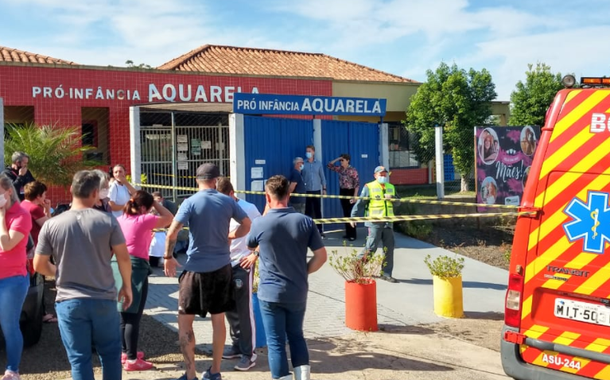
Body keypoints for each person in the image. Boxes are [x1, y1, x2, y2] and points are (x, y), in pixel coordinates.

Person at [33, 170, 133, 380]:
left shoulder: (52, 224)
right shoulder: (108, 221)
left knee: (79, 359)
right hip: (103, 299)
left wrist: (59, 271)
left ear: (70, 190)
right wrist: (127, 286)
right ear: (96, 193)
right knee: (111, 354)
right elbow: (123, 258)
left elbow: (39, 264)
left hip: (69, 301)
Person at [163, 163, 252, 380]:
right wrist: (231, 236)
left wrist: (168, 257)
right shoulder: (227, 201)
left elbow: (172, 232)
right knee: (218, 320)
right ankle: (215, 371)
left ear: (197, 180)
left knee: (184, 321)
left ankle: (190, 373)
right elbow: (247, 224)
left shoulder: (190, 202)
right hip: (221, 268)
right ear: (215, 180)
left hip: (194, 269)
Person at [246, 175, 327, 380]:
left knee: (275, 342)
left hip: (270, 293)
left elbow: (250, 244)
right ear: (289, 195)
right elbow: (321, 256)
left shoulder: (260, 223)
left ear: (267, 196)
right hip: (297, 290)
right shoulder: (305, 221)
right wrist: (303, 271)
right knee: (297, 336)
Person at [114, 190, 173, 371]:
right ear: (143, 207)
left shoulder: (121, 219)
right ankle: (132, 360)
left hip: (117, 265)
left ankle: (124, 352)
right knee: (134, 314)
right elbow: (169, 217)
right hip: (136, 268)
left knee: (123, 313)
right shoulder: (143, 219)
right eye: (148, 208)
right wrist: (155, 203)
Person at [217, 177, 261, 372]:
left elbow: (263, 232)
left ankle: (249, 354)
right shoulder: (217, 208)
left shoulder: (249, 208)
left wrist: (254, 254)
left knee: (244, 309)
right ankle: (236, 345)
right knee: (229, 308)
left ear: (231, 194)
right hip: (223, 263)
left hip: (242, 263)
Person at [0, 175, 32, 380]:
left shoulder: (21, 214)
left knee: (8, 324)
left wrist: (1, 218)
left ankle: (13, 370)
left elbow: (7, 244)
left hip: (12, 279)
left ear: (8, 192)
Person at [350, 166, 401, 283]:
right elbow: (360, 203)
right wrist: (353, 216)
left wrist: (392, 198)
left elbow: (398, 203)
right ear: (375, 175)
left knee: (389, 249)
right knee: (371, 247)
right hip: (374, 222)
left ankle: (386, 273)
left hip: (388, 222)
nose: (383, 176)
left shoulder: (391, 187)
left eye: (384, 174)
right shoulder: (369, 187)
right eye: (381, 174)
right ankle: (356, 267)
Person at [21, 181, 56, 323]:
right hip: (35, 249)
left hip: (25, 248)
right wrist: (47, 209)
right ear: (38, 195)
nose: (45, 196)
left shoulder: (23, 204)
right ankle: (42, 314)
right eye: (44, 194)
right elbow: (49, 226)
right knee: (38, 282)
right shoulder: (35, 208)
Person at [327, 154, 360, 241]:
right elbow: (329, 165)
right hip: (343, 191)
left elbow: (357, 184)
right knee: (345, 213)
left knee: (351, 213)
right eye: (340, 160)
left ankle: (353, 234)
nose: (341, 162)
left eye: (343, 160)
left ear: (348, 160)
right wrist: (338, 158)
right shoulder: (340, 169)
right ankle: (348, 233)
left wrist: (355, 196)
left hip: (350, 192)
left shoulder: (352, 170)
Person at [301, 145, 326, 236]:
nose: (308, 153)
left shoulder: (318, 164)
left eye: (310, 151)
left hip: (316, 190)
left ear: (313, 152)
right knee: (307, 211)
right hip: (307, 191)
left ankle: (320, 230)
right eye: (307, 151)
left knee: (317, 210)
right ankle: (307, 230)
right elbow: (300, 176)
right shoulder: (303, 164)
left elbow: (322, 177)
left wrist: (324, 189)